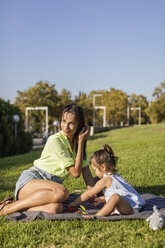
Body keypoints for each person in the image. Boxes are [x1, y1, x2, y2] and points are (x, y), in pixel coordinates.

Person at [0, 103, 94, 216]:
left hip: (50, 190)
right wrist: (81, 142)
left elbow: (87, 174)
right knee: (63, 192)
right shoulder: (55, 140)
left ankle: (18, 207)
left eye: (71, 123)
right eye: (63, 121)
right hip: (31, 181)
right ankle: (8, 208)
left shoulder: (77, 143)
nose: (65, 127)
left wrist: (93, 196)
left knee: (56, 208)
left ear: (79, 125)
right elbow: (75, 173)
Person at [68, 144, 146, 217]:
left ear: (103, 167)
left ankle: (97, 216)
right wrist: (101, 199)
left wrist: (75, 202)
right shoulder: (116, 176)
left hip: (130, 209)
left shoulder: (106, 180)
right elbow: (121, 193)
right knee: (115, 197)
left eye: (95, 170)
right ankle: (113, 210)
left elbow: (89, 194)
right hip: (131, 206)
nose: (95, 173)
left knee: (115, 197)